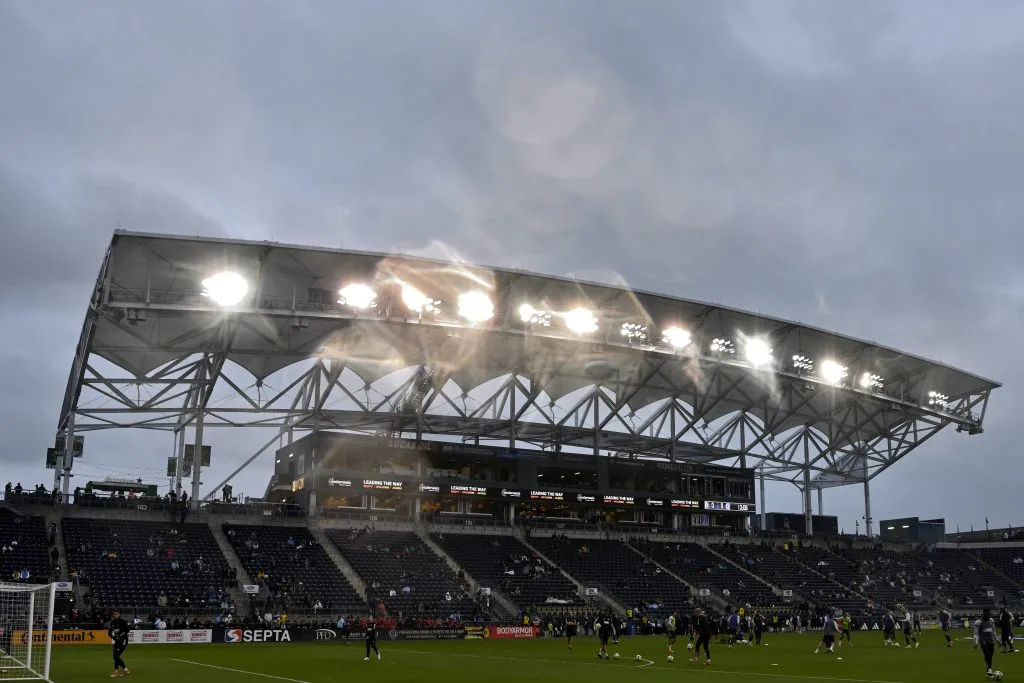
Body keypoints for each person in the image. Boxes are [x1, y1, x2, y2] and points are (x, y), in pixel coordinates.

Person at [975, 608, 998, 679]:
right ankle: (990, 670)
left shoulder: (991, 620)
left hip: (991, 640)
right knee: (987, 654)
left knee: (989, 656)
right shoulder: (978, 622)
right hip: (983, 641)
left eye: (990, 613)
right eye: (988, 613)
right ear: (984, 613)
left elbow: (993, 631)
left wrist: (997, 640)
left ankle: (988, 673)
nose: (989, 614)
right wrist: (975, 642)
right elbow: (976, 633)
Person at [107, 610, 130, 677]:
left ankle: (116, 671)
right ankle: (125, 670)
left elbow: (127, 630)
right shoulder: (112, 623)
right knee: (115, 657)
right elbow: (109, 633)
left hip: (123, 641)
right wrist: (113, 637)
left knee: (116, 656)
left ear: (119, 614)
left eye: (117, 614)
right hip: (117, 641)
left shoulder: (122, 622)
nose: (115, 615)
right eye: (114, 614)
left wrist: (120, 636)